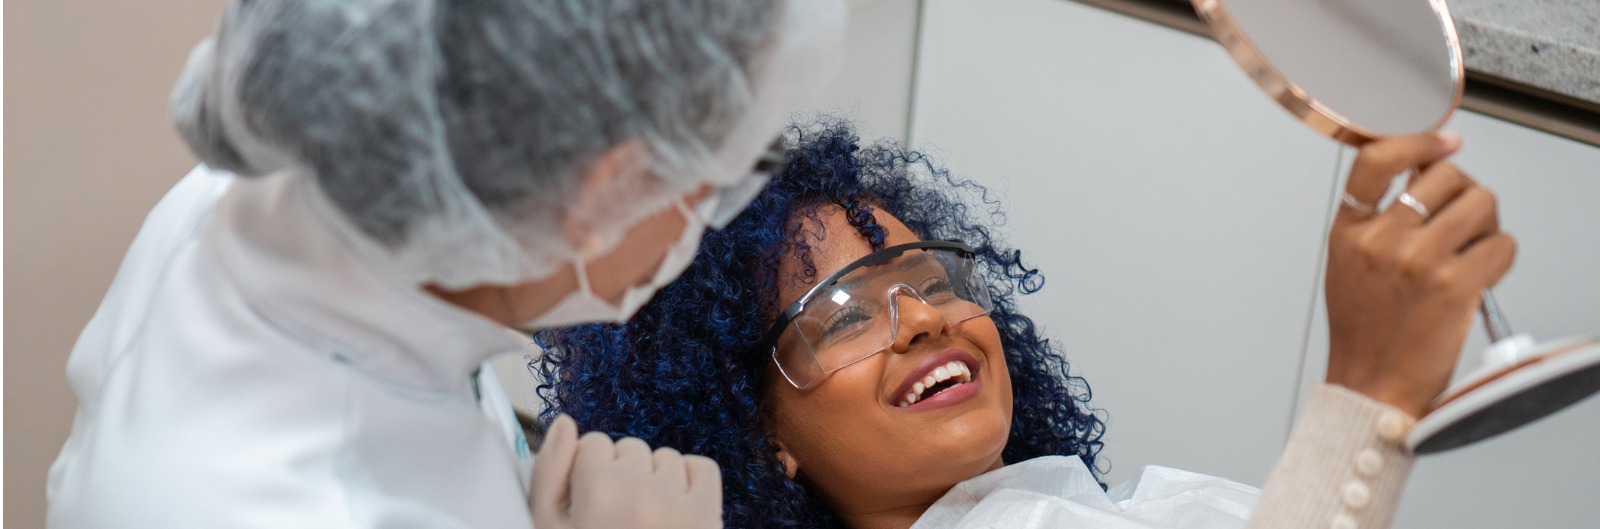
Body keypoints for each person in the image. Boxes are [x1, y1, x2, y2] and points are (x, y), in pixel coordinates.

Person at [45, 1, 844, 528]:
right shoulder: (293, 503)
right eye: (717, 172)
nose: (717, 217)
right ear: (606, 190)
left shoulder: (284, 182)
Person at [534, 119, 1514, 529]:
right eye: (838, 315)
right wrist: (1367, 398)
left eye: (922, 274)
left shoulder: (1128, 501)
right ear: (758, 436)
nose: (920, 318)